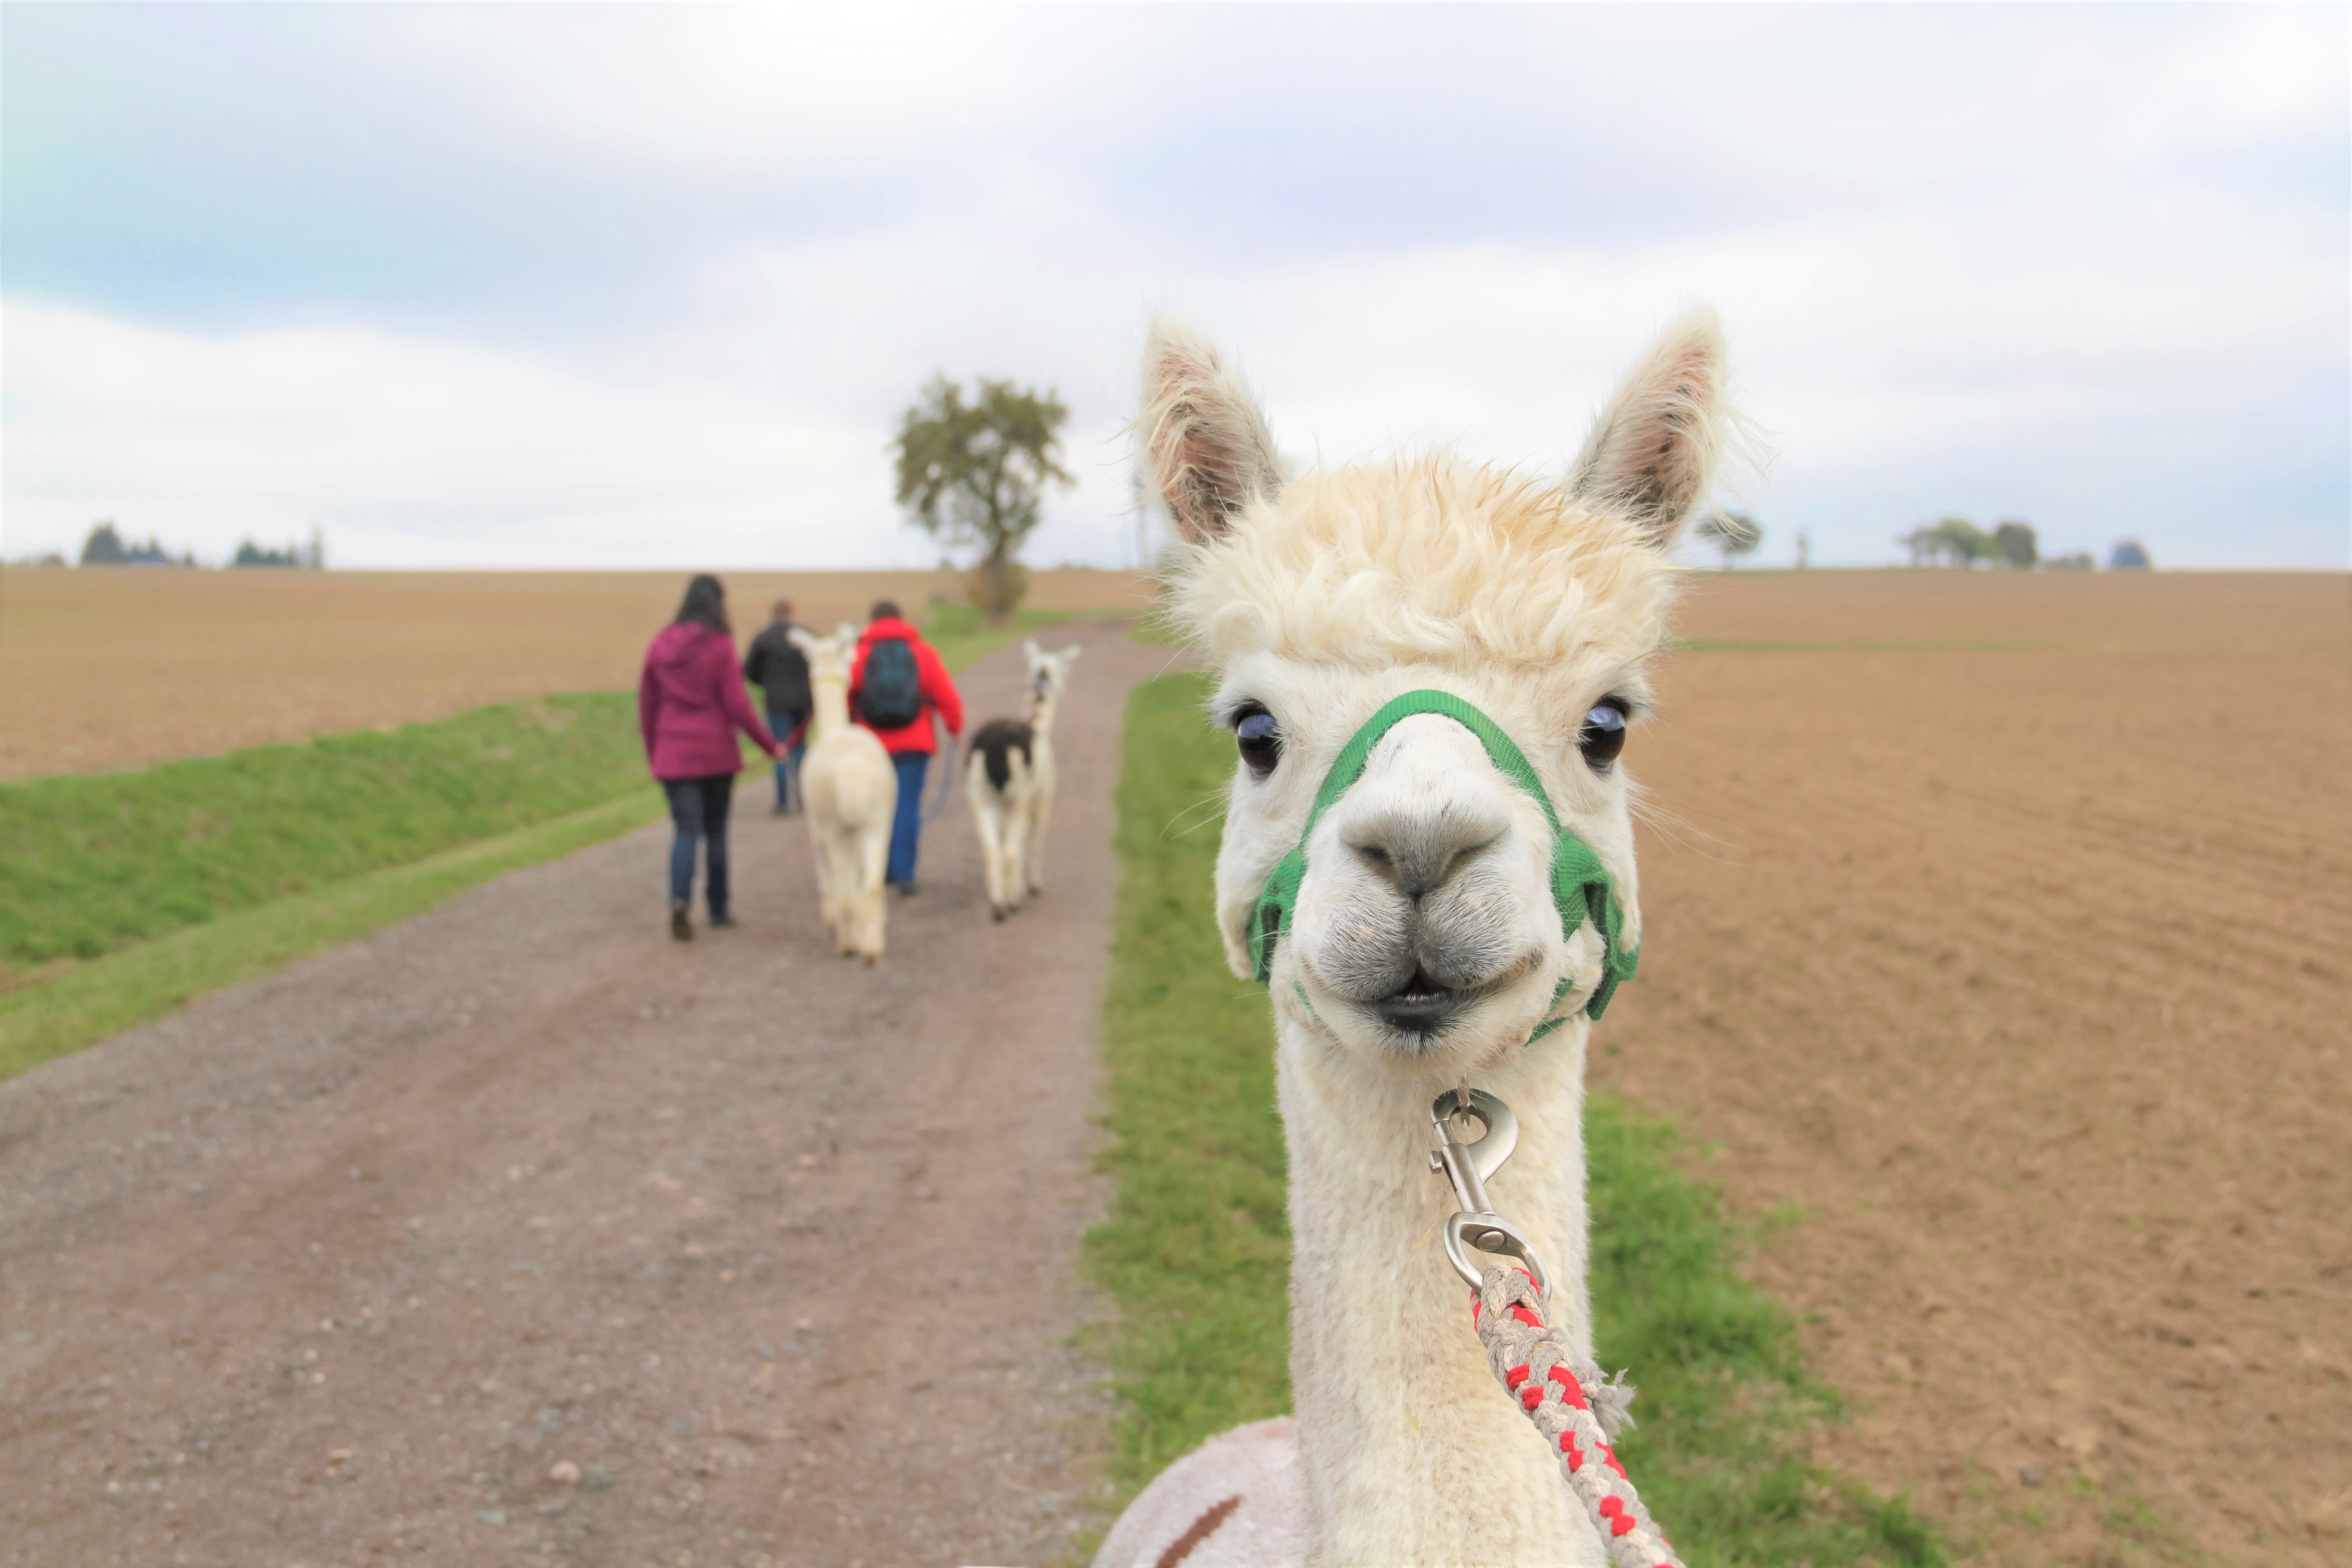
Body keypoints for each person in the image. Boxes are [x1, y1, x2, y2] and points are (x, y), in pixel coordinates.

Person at [638, 575, 782, 941]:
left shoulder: (660, 644)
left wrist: (655, 752)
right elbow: (738, 704)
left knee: (685, 832)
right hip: (715, 753)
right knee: (717, 832)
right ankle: (718, 910)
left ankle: (679, 903)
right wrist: (770, 745)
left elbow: (648, 705)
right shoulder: (720, 646)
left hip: (673, 752)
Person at [848, 599, 964, 895]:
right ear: (902, 620)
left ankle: (880, 869)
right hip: (914, 743)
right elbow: (945, 695)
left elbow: (846, 696)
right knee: (907, 807)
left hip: (870, 746)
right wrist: (955, 727)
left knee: (875, 809)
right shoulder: (923, 653)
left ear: (872, 622)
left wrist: (852, 730)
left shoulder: (858, 654)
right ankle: (905, 874)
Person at [741, 597, 813, 815]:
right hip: (803, 701)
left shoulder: (763, 639)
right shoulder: (805, 638)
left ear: (773, 614)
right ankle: (803, 799)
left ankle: (782, 803)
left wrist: (767, 683)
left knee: (780, 750)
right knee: (800, 752)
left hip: (777, 702)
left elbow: (749, 671)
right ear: (791, 614)